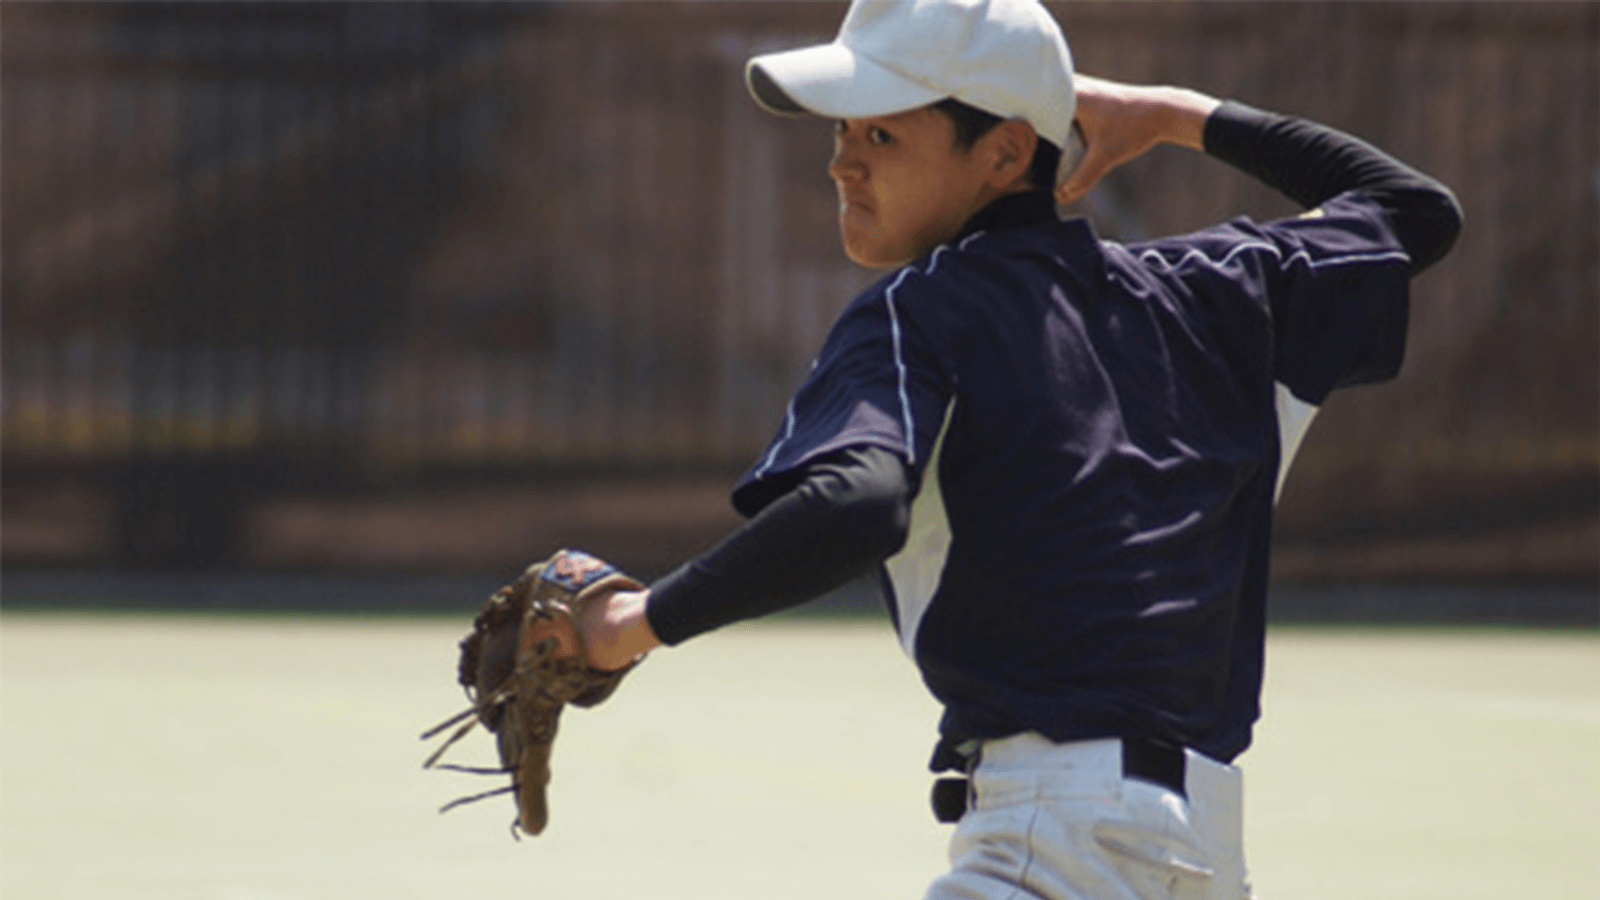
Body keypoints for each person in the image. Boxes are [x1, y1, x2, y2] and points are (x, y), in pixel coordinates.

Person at [542, 0, 1462, 896]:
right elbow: (1413, 212)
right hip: (1203, 854)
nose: (841, 166)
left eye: (881, 137)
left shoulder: (919, 312)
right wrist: (1174, 115)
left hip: (1053, 843)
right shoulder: (1211, 296)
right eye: (843, 134)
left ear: (1006, 151)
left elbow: (857, 503)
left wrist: (634, 625)